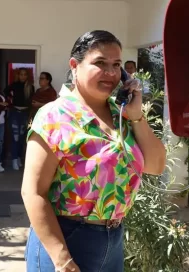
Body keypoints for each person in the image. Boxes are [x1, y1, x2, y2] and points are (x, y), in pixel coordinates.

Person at [21, 30, 166, 272]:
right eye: (100, 63)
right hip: (66, 238)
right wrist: (62, 259)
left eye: (117, 65)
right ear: (74, 66)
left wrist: (136, 116)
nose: (110, 73)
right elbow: (33, 192)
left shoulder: (122, 113)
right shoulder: (54, 116)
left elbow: (155, 165)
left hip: (113, 237)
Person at [4, 68, 34, 170]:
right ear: (18, 75)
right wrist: (10, 101)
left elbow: (30, 101)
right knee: (15, 137)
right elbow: (5, 92)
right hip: (15, 113)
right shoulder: (14, 85)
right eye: (21, 74)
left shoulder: (30, 87)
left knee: (22, 138)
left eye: (25, 74)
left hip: (25, 113)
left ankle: (18, 158)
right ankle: (14, 159)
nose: (23, 76)